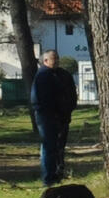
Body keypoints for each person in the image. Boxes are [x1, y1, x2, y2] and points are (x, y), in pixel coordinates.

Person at [31, 49, 77, 186]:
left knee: (60, 147)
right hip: (47, 117)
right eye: (53, 59)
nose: (56, 61)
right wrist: (51, 113)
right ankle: (48, 177)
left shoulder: (64, 75)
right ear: (45, 61)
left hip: (63, 116)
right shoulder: (42, 76)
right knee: (48, 146)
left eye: (57, 58)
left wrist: (68, 109)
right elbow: (39, 99)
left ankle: (58, 173)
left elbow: (72, 94)